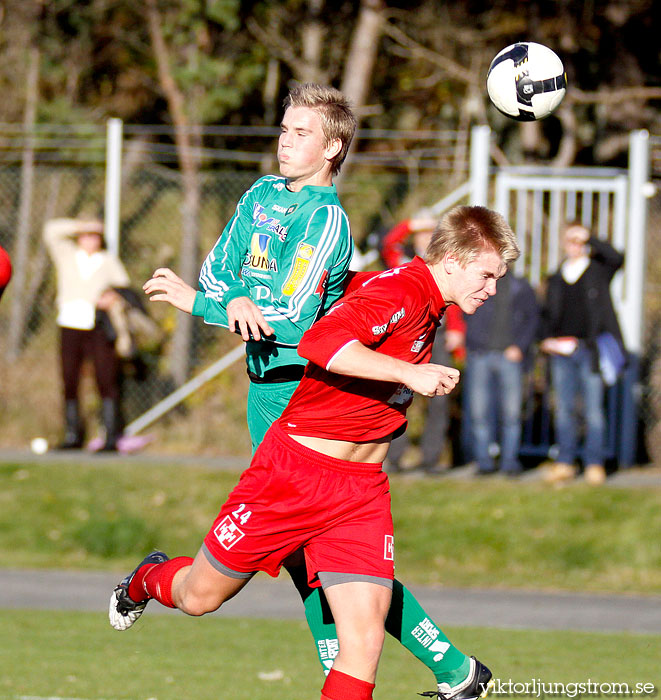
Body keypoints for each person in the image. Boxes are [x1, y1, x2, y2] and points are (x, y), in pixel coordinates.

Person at [142, 84, 483, 692]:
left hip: (309, 398)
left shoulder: (328, 218)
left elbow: (294, 319)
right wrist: (229, 296)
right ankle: (448, 668)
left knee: (330, 571)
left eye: (300, 133)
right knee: (289, 567)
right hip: (263, 396)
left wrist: (206, 304)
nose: (284, 141)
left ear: (332, 148)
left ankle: (444, 668)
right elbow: (220, 268)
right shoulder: (260, 194)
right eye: (283, 129)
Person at [111, 204, 520, 700]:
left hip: (361, 494)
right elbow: (320, 342)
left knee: (365, 641)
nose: (492, 288)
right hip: (293, 476)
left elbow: (310, 299)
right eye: (488, 274)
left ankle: (454, 673)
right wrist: (409, 373)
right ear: (453, 260)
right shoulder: (403, 292)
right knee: (199, 597)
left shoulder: (421, 295)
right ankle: (145, 580)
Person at [540, 221, 625, 485]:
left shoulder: (597, 271)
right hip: (561, 352)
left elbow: (617, 258)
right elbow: (546, 315)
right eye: (570, 240)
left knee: (593, 411)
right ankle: (565, 462)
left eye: (579, 240)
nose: (575, 245)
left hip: (591, 351)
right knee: (564, 410)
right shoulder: (555, 277)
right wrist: (545, 340)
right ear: (563, 243)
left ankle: (594, 463)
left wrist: (590, 237)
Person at [380, 212, 465, 473]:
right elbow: (387, 243)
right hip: (405, 335)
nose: (426, 238)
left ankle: (431, 458)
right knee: (397, 395)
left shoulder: (444, 263)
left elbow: (455, 298)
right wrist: (408, 223)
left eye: (431, 233)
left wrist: (457, 330)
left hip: (437, 335)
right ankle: (394, 456)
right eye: (422, 233)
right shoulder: (402, 261)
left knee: (439, 398)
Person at [43, 216, 130, 451]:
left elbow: (125, 290)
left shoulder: (107, 261)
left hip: (98, 326)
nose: (90, 240)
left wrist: (113, 298)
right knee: (69, 378)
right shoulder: (67, 255)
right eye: (86, 235)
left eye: (95, 235)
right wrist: (80, 225)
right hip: (70, 323)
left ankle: (111, 435)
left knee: (105, 377)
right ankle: (73, 434)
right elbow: (51, 230)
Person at [463, 272, 539, 476]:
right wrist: (471, 342)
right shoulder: (475, 282)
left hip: (509, 357)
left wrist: (520, 346)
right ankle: (484, 463)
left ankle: (509, 462)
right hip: (480, 355)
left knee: (511, 414)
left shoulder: (520, 286)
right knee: (479, 413)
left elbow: (532, 318)